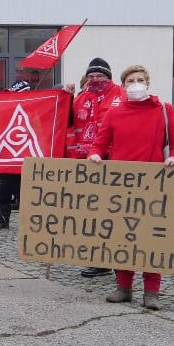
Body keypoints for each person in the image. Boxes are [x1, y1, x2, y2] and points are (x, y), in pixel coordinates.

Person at [89, 65, 174, 310]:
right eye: (131, 80)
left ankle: (152, 291)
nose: (136, 83)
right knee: (123, 236)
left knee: (152, 238)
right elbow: (100, 144)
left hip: (154, 185)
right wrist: (96, 156)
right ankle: (124, 287)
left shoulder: (164, 110)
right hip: (121, 187)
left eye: (140, 79)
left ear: (148, 83)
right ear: (124, 86)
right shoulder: (114, 113)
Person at [70, 57, 123, 278]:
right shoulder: (81, 98)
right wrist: (62, 96)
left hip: (114, 161)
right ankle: (99, 260)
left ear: (108, 77)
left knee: (112, 213)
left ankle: (116, 259)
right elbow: (66, 121)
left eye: (99, 75)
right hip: (87, 163)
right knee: (91, 214)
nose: (94, 79)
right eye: (91, 76)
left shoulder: (121, 95)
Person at [0, 81, 32, 229]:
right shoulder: (4, 109)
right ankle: (2, 219)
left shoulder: (35, 109)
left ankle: (30, 222)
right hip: (7, 157)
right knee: (4, 190)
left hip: (27, 157)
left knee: (27, 191)